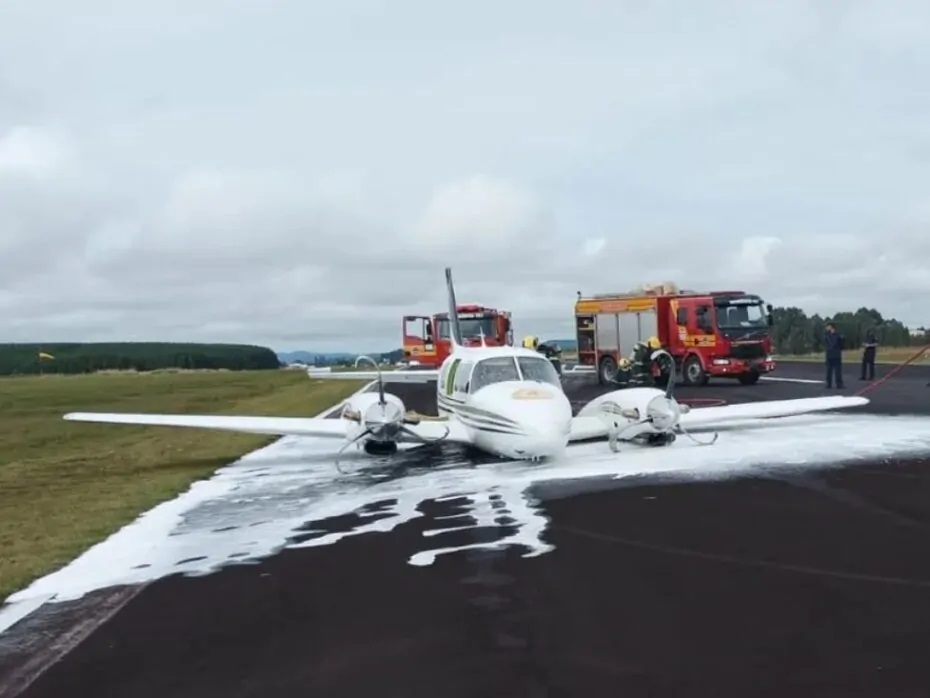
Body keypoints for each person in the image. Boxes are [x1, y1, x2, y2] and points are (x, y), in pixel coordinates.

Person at [824, 323, 844, 389]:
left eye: (828, 326)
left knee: (837, 371)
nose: (826, 328)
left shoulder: (837, 335)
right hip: (830, 354)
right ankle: (829, 384)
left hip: (836, 354)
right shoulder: (827, 335)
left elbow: (841, 345)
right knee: (829, 370)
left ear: (831, 327)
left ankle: (839, 384)